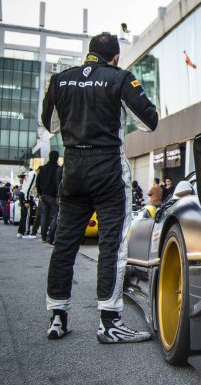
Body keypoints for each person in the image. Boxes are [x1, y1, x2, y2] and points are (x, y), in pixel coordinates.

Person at [41, 32, 159, 342]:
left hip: (74, 169)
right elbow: (150, 121)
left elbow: (49, 125)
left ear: (90, 53)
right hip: (107, 169)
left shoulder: (59, 80)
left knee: (64, 244)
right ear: (115, 57)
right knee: (112, 245)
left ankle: (57, 317)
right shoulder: (119, 78)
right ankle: (109, 322)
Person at [37, 150, 61, 243]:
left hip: (43, 195)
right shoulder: (58, 169)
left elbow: (37, 181)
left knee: (44, 215)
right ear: (57, 158)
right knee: (56, 214)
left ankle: (43, 236)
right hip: (53, 195)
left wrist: (40, 193)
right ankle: (50, 236)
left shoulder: (43, 169)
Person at [19, 168, 38, 239]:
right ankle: (26, 232)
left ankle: (20, 231)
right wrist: (27, 200)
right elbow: (29, 188)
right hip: (27, 195)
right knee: (27, 215)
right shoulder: (34, 175)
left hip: (23, 194)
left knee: (23, 214)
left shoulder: (29, 174)